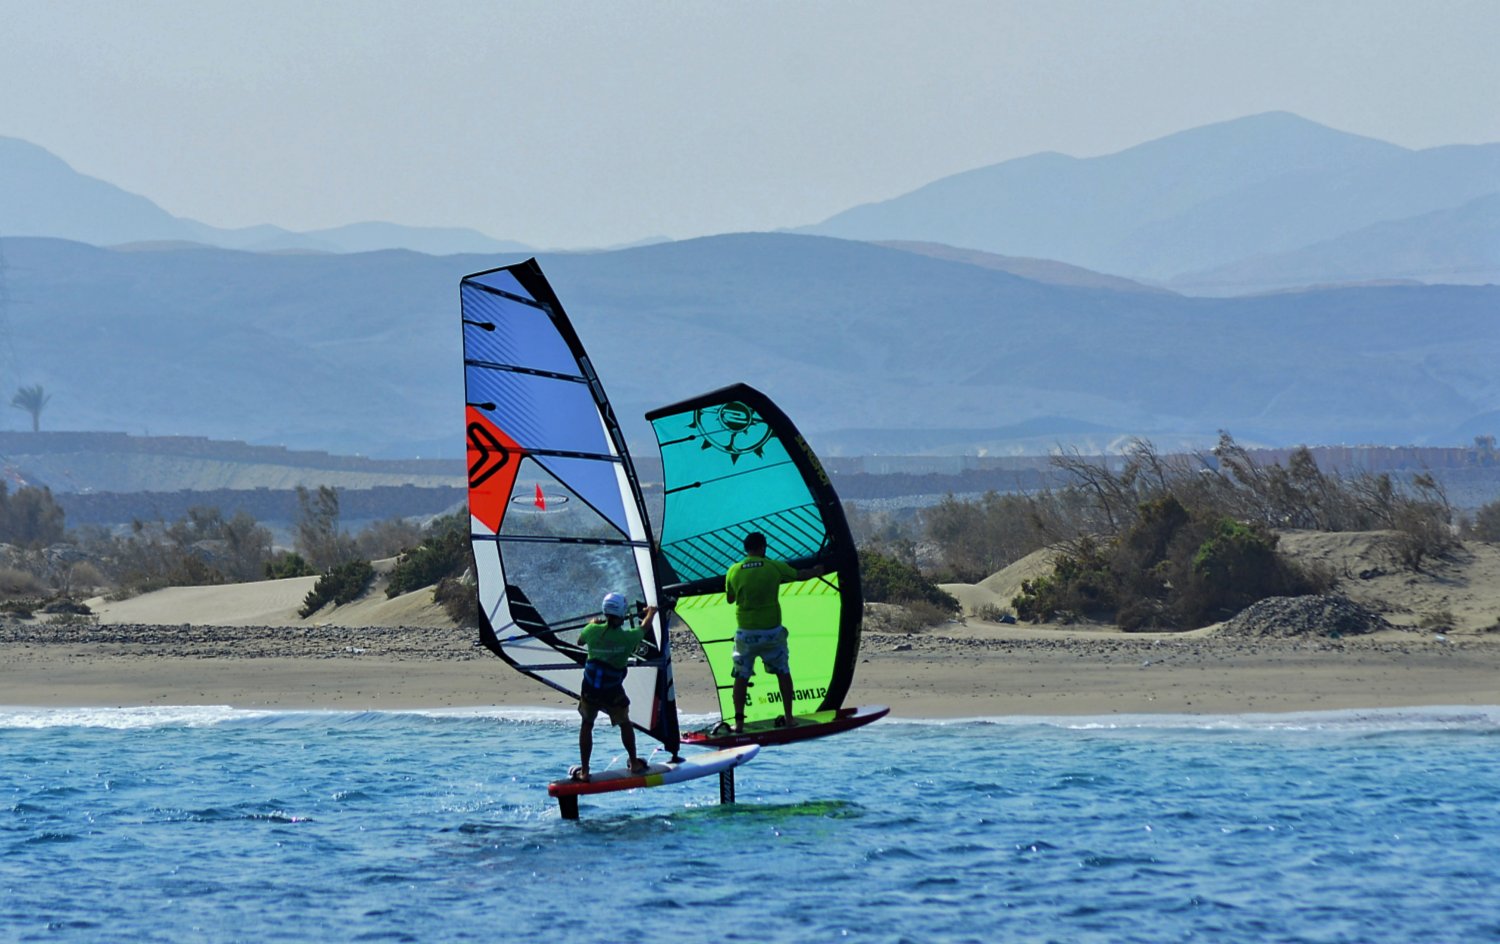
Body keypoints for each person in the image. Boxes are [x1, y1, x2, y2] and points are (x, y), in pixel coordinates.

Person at [724, 532, 824, 733]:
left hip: (746, 634)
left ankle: (739, 724)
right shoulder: (773, 566)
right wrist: (817, 570)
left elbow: (730, 599)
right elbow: (799, 575)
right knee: (783, 673)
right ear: (763, 547)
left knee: (741, 677)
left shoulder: (733, 571)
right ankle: (788, 719)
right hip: (771, 633)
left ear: (746, 549)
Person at [570, 592, 654, 782]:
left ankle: (584, 771)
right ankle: (633, 762)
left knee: (587, 724)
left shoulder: (592, 630)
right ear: (623, 613)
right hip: (612, 693)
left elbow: (580, 642)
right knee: (625, 723)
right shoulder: (627, 638)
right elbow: (644, 628)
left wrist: (592, 623)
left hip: (590, 690)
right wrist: (652, 612)